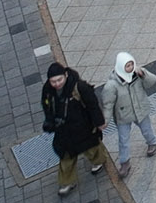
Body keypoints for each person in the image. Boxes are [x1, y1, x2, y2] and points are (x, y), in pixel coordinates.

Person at [38, 62, 106, 194]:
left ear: (66, 75)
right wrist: (50, 121)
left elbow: (93, 105)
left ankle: (99, 161)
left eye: (59, 80)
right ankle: (66, 182)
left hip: (83, 127)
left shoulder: (79, 87)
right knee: (66, 156)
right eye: (53, 81)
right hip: (63, 131)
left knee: (91, 148)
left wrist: (99, 122)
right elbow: (46, 106)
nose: (57, 84)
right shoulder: (47, 90)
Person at [100, 54, 156, 176]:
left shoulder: (137, 75)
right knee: (123, 140)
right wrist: (105, 120)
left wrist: (143, 74)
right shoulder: (112, 85)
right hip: (123, 115)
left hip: (140, 109)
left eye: (131, 64)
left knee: (146, 129)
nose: (130, 67)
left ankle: (153, 142)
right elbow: (108, 104)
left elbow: (152, 81)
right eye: (127, 65)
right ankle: (125, 162)